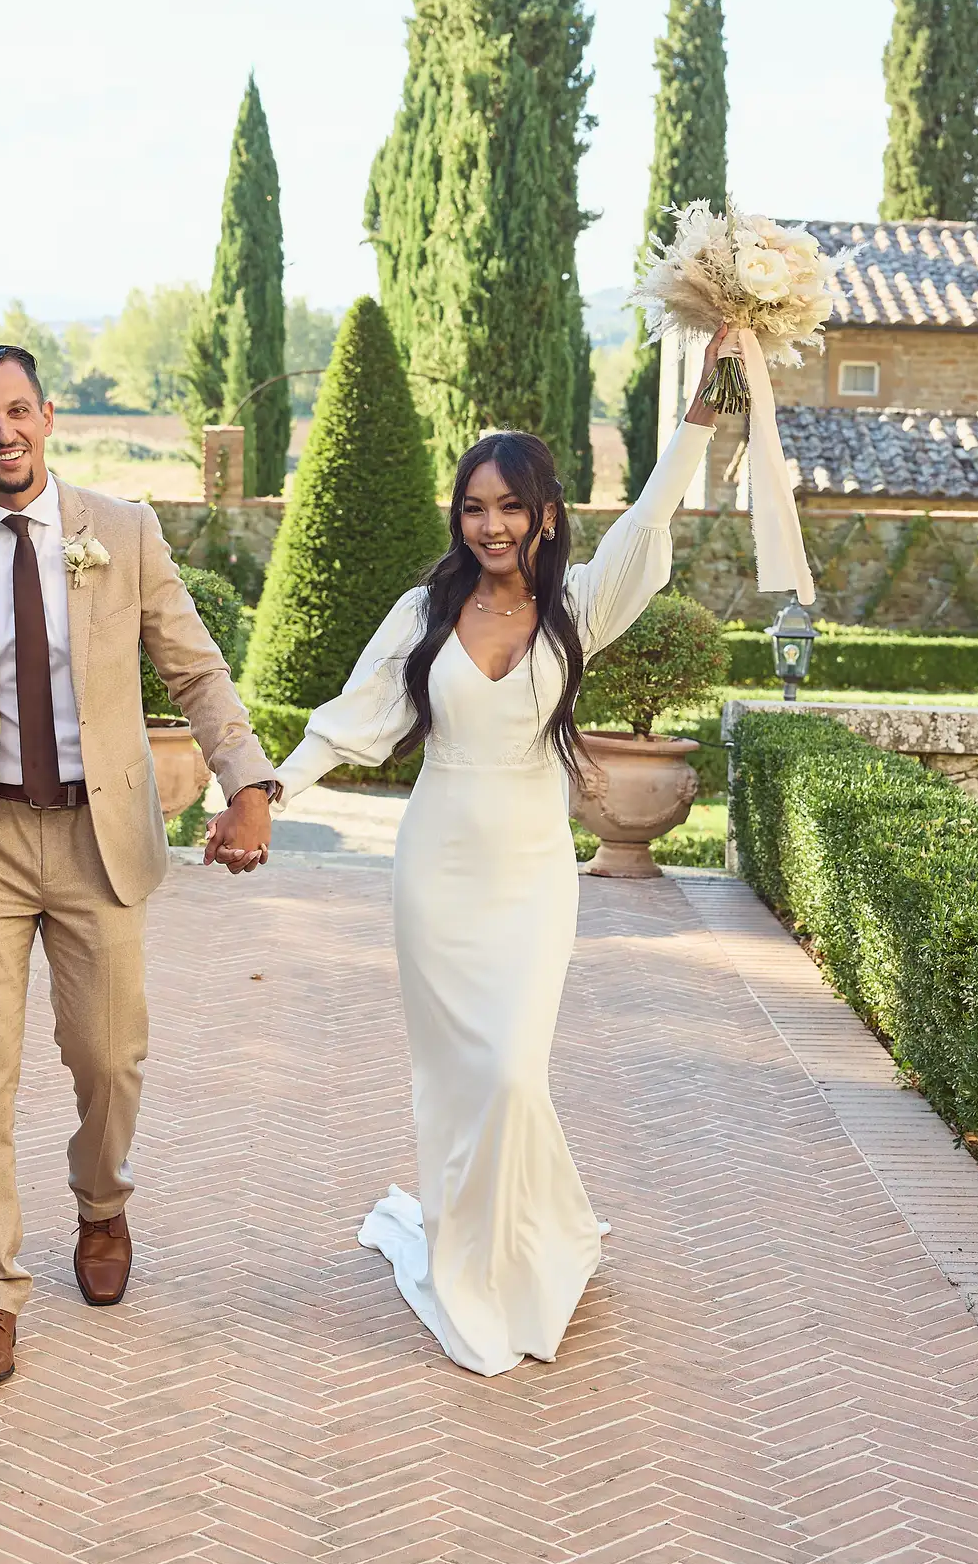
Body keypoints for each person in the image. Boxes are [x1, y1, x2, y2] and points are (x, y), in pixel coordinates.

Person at [271, 327, 725, 1377]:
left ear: (544, 514)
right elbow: (349, 723)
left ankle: (528, 1242)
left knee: (512, 1070)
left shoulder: (576, 613)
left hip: (527, 873)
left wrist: (701, 409)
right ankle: (470, 1256)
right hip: (434, 874)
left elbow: (647, 525)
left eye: (509, 506)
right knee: (459, 1077)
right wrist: (266, 793)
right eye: (473, 506)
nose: (489, 524)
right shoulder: (421, 613)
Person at [0, 343, 276, 1386]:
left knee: (107, 1060)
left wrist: (248, 783)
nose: (3, 432)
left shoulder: (119, 532)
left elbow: (193, 666)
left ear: (48, 417)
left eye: (18, 410)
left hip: (96, 841)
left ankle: (102, 1204)